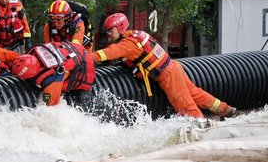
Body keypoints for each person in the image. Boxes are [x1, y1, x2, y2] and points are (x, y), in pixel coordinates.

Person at [92, 12, 236, 118]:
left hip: (167, 76)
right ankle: (225, 109)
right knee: (195, 93)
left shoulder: (128, 44)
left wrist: (87, 58)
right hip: (173, 67)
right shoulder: (136, 35)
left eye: (111, 30)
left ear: (120, 27)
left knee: (185, 107)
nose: (108, 34)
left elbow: (107, 53)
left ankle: (202, 129)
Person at [10, 41, 96, 106]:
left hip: (86, 68)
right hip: (76, 48)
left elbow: (51, 107)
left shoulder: (51, 79)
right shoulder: (34, 53)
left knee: (82, 104)